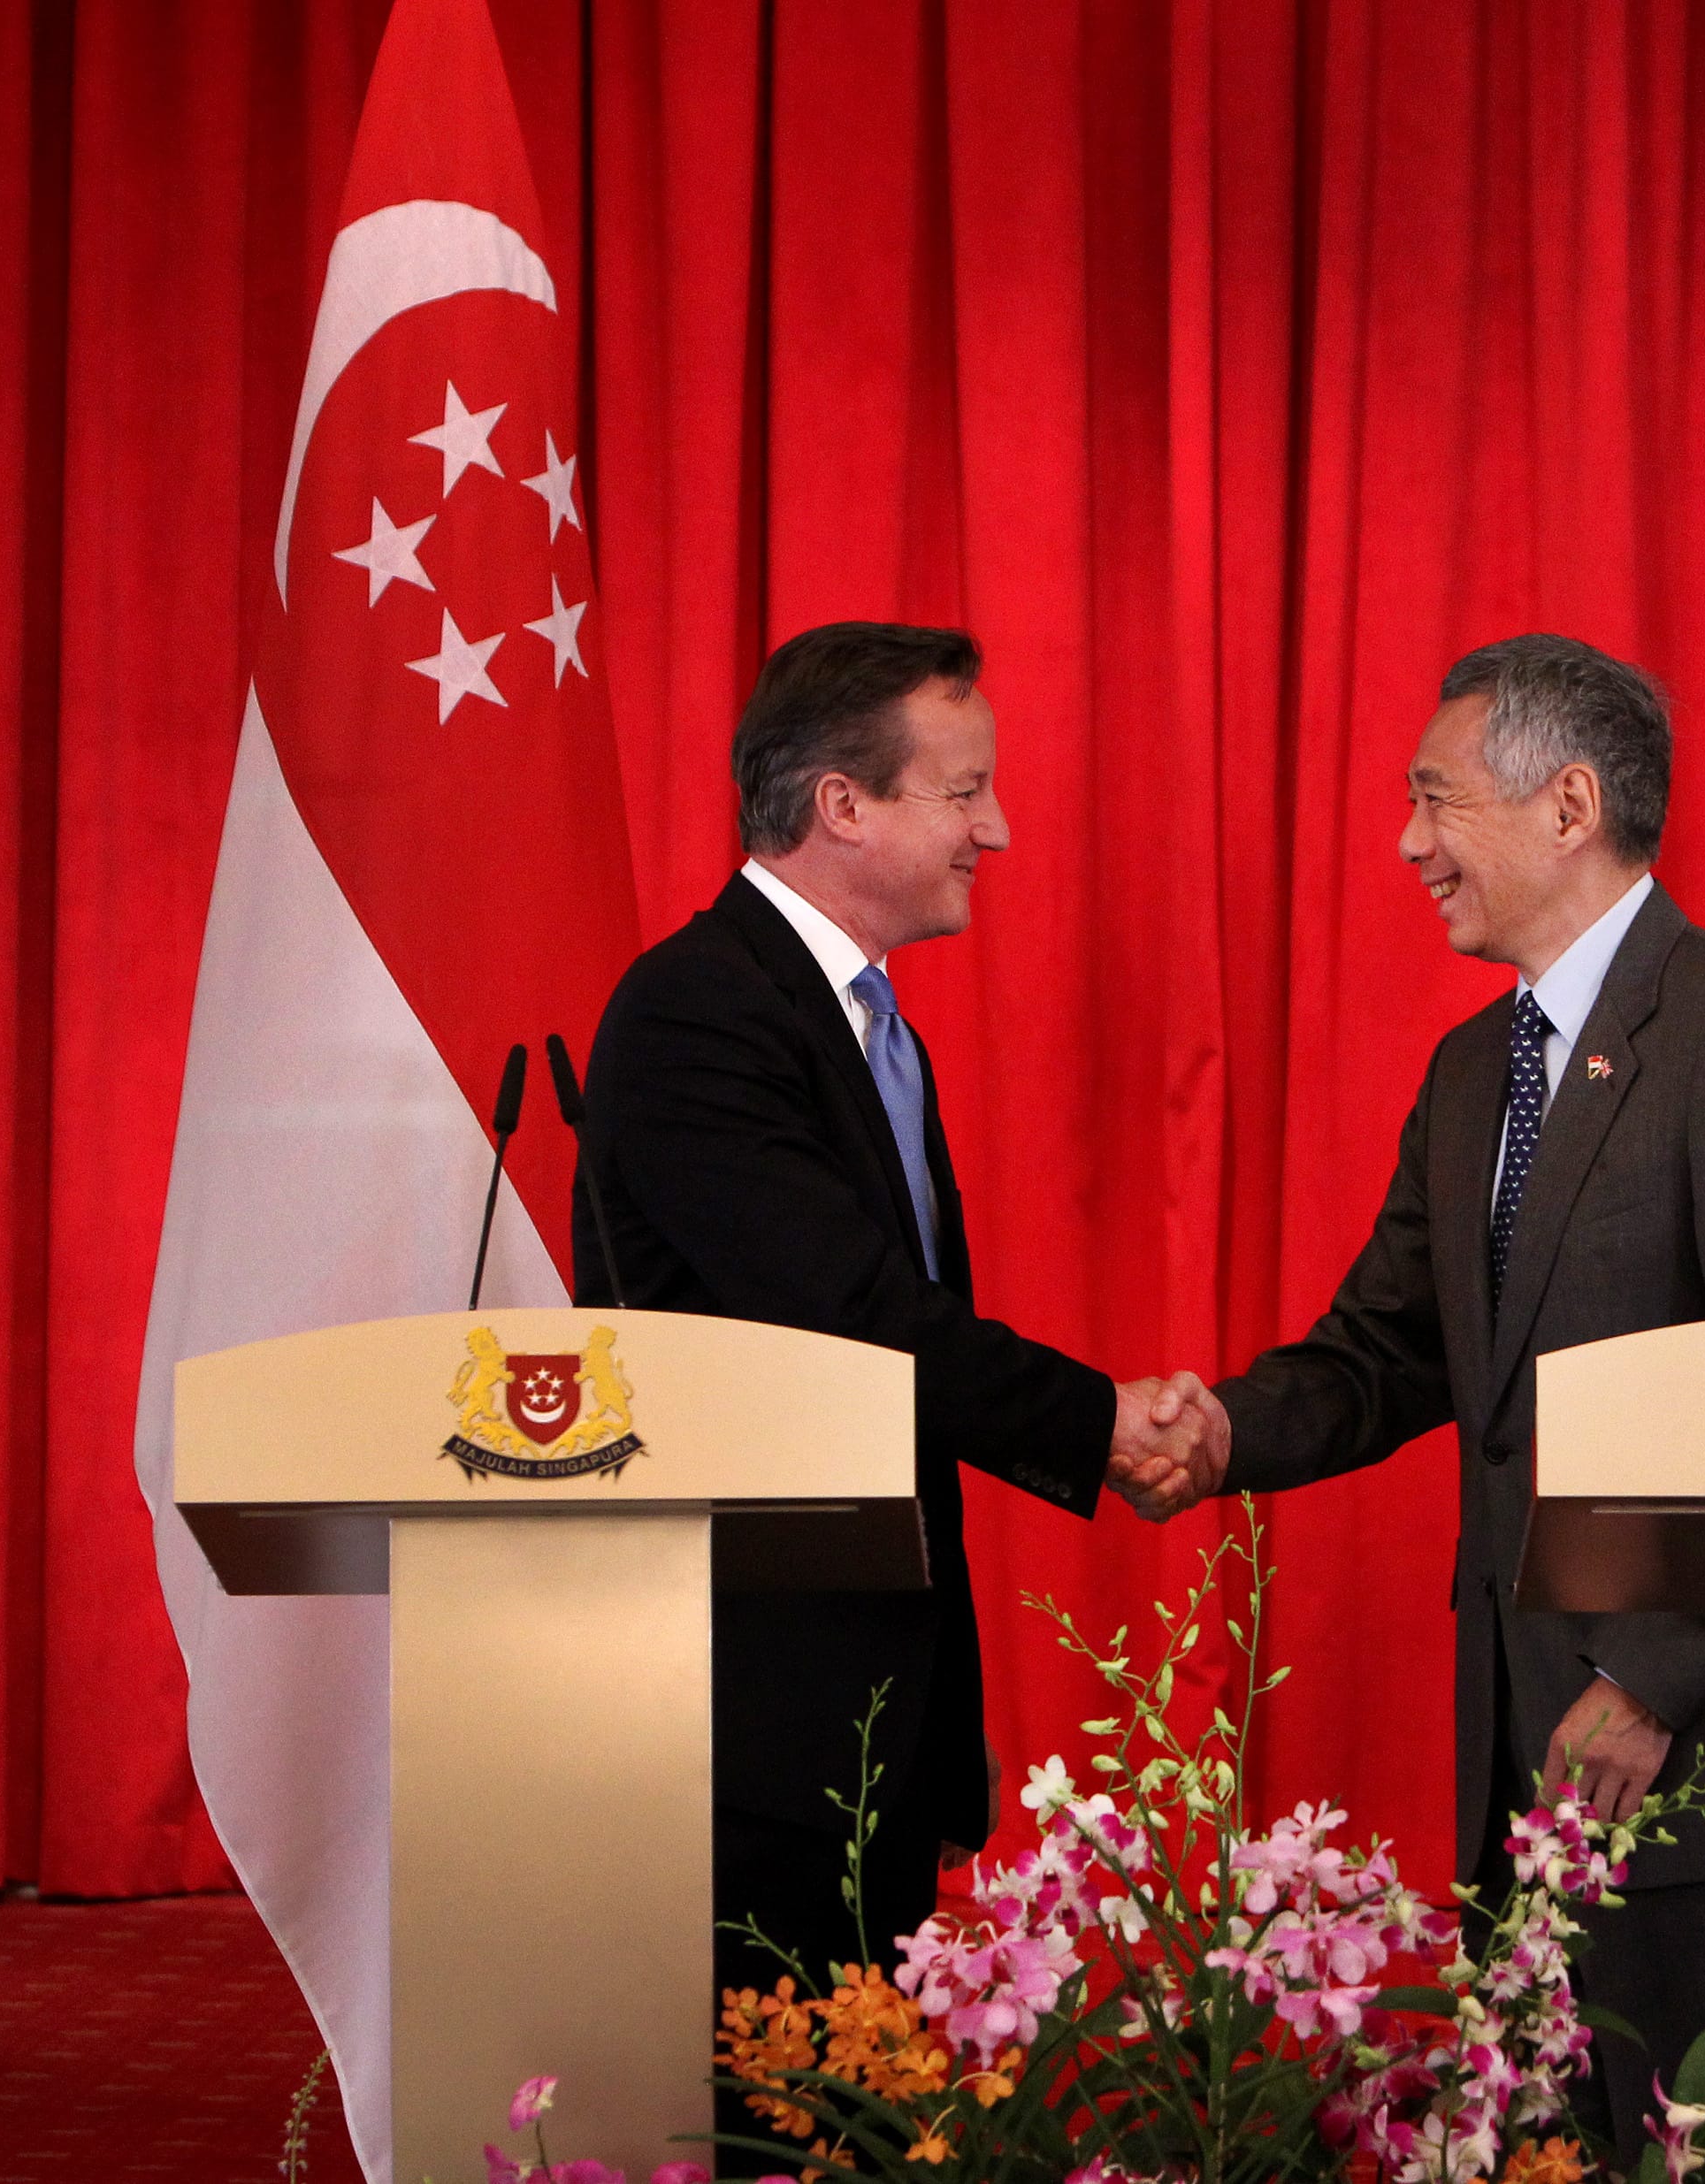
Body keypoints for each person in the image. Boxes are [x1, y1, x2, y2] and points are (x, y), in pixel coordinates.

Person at [1141, 633, 1705, 2163]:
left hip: (1688, 1760)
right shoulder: (1479, 1065)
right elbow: (1388, 1351)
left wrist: (1659, 1675)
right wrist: (1219, 1430)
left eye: (1435, 800)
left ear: (1566, 804)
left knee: (1686, 2141)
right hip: (1518, 1747)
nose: (1408, 843)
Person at [579, 622, 1227, 2097]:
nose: (993, 828)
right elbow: (857, 1320)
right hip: (743, 1707)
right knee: (771, 2112)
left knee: (853, 2108)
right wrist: (1100, 1420)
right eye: (964, 791)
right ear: (842, 805)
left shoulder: (865, 1021)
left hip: (855, 1694)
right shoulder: (701, 1013)